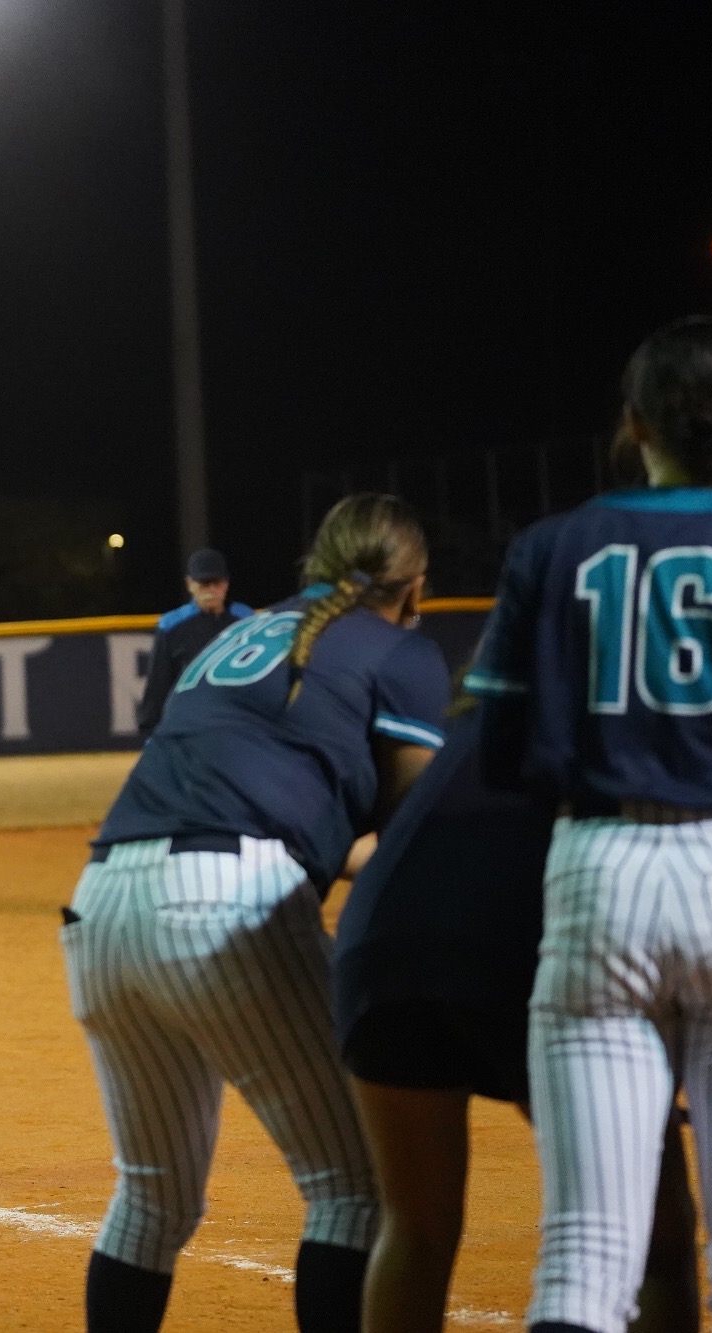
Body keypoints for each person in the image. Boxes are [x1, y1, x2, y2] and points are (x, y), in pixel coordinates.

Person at [465, 317, 712, 1333]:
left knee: (585, 1259)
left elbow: (497, 756)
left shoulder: (551, 547)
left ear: (631, 421)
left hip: (597, 866)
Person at [64, 493, 449, 1333]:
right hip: (225, 901)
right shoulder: (396, 648)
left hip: (101, 900)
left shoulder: (243, 631)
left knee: (152, 1198)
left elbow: (283, 800)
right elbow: (413, 836)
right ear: (414, 588)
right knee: (356, 1189)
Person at [333, 704, 700, 1333]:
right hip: (514, 941)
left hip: (379, 942)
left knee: (415, 1232)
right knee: (654, 1241)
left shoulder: (484, 720)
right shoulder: (631, 711)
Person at [134, 546, 253, 735]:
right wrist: (151, 731)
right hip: (192, 726)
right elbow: (159, 685)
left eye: (217, 582)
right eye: (204, 583)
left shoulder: (247, 620)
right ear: (190, 584)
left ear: (227, 583)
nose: (212, 589)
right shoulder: (172, 625)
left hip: (237, 725)